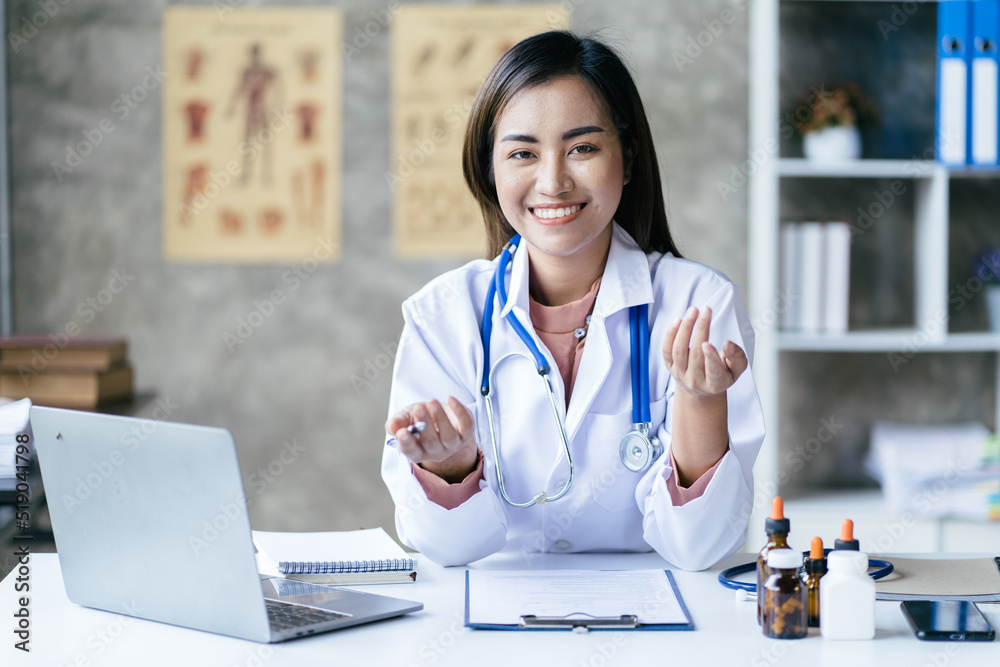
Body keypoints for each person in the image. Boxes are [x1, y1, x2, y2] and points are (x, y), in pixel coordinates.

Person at [382, 31, 765, 570]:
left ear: (627, 160)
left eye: (582, 148)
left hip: (652, 628)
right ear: (490, 170)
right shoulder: (443, 314)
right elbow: (448, 551)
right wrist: (450, 467)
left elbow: (699, 548)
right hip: (496, 626)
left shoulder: (697, 303)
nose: (553, 180)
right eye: (522, 153)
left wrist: (701, 403)